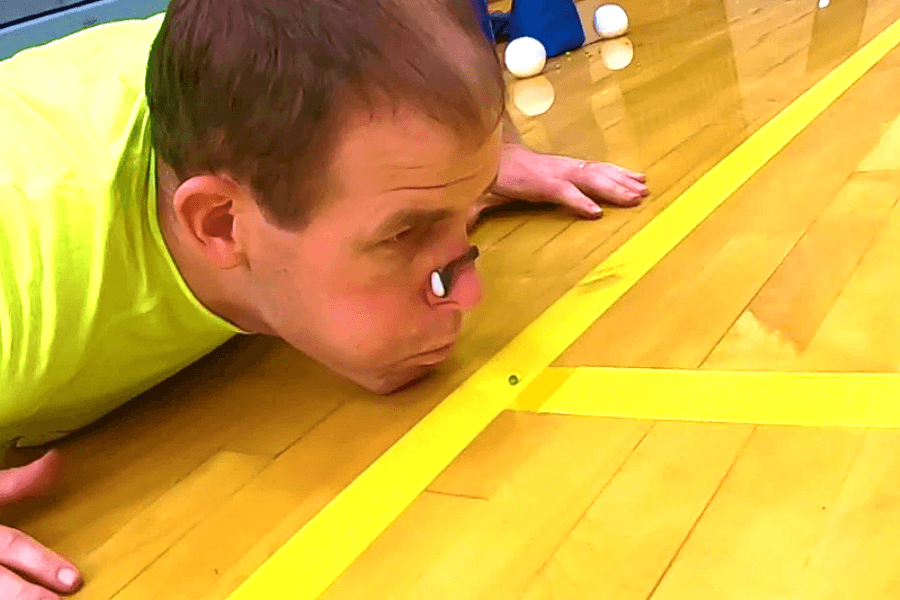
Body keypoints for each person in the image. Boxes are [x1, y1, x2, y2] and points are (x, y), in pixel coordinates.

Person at [0, 0, 648, 596]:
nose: (470, 290)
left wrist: (469, 164)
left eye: (463, 206)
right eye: (406, 230)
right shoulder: (24, 259)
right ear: (222, 224)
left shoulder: (276, 96)